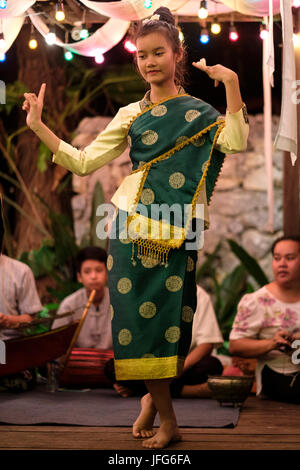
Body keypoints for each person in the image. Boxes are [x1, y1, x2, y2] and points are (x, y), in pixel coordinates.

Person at [22, 7, 248, 448]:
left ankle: (153, 396)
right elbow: (84, 163)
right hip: (129, 228)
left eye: (158, 53)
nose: (149, 62)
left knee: (174, 321)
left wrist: (233, 83)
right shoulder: (130, 113)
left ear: (177, 54)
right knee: (136, 323)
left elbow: (236, 141)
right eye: (141, 55)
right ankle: (168, 419)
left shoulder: (201, 113)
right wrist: (37, 126)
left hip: (177, 229)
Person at [105, 284, 224, 398]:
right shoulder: (142, 288)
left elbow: (207, 343)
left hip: (183, 366)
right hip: (149, 365)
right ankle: (189, 391)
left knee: (212, 365)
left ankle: (142, 390)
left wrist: (178, 370)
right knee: (112, 367)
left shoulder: (198, 293)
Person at [229, 236, 300, 404]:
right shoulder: (255, 300)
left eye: (290, 258)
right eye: (277, 258)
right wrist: (273, 343)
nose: (282, 263)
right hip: (277, 371)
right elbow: (235, 345)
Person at [52, 246, 112, 350]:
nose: (93, 276)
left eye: (99, 270)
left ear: (107, 273)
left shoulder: (118, 301)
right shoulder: (69, 305)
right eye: (87, 272)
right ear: (79, 277)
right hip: (78, 362)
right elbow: (56, 343)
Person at [0, 253, 43, 391]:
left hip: (9, 347)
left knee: (22, 380)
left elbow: (30, 319)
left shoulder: (21, 271)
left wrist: (6, 320)